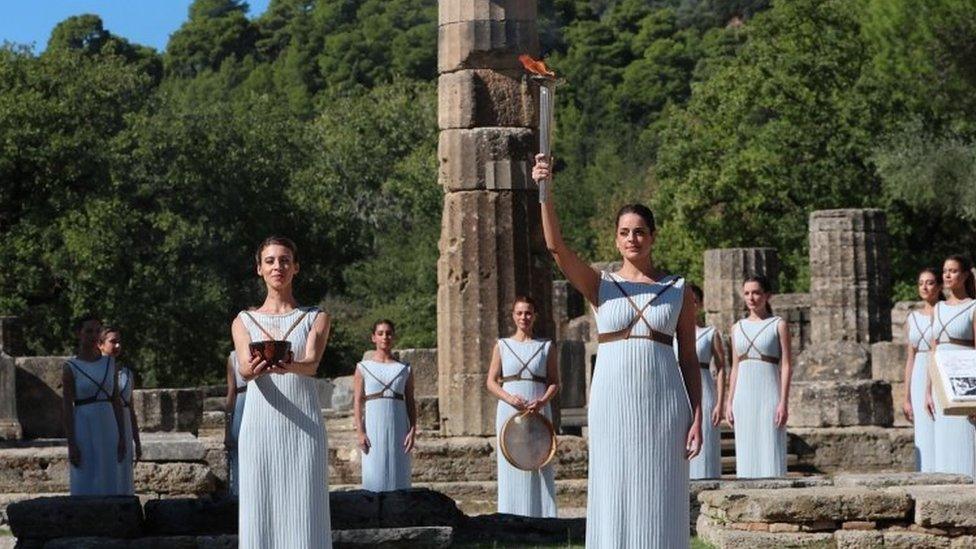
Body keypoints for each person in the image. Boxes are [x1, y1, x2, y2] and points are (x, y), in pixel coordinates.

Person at [532, 155, 702, 548]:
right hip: (613, 401)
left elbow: (689, 358)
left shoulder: (678, 290)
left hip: (664, 404)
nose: (632, 239)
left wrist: (695, 416)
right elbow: (555, 247)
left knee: (661, 489)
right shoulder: (601, 285)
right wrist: (546, 192)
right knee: (614, 486)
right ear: (616, 239)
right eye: (625, 232)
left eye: (640, 231)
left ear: (653, 236)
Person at [231, 236, 332, 548]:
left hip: (304, 427)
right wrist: (260, 366)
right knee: (260, 506)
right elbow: (245, 370)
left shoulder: (316, 317)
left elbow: (312, 364)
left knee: (305, 506)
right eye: (271, 261)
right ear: (259, 269)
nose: (278, 266)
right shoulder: (243, 320)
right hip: (260, 427)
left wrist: (290, 365)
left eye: (285, 260)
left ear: (296, 267)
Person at [485, 296, 559, 517]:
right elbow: (491, 381)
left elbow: (554, 381)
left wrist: (543, 401)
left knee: (539, 460)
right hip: (510, 410)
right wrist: (509, 398)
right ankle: (510, 515)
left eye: (528, 313)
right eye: (519, 313)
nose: (523, 317)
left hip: (538, 410)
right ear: (513, 316)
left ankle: (542, 516)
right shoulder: (502, 346)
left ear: (534, 316)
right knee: (511, 459)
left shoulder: (546, 346)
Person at [726, 276, 792, 478]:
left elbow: (787, 365)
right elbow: (735, 368)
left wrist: (783, 402)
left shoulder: (778, 325)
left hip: (769, 393)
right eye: (747, 293)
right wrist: (729, 402)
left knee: (770, 446)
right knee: (747, 449)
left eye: (756, 292)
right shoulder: (736, 328)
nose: (751, 297)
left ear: (767, 295)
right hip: (743, 397)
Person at [62, 314, 126, 495]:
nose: (93, 335)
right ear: (78, 334)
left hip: (108, 425)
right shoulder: (70, 367)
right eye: (88, 331)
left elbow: (116, 401)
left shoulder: (110, 364)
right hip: (83, 423)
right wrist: (71, 443)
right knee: (85, 475)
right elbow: (67, 406)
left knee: (108, 474)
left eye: (97, 331)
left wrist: (122, 436)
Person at [353, 320, 417, 492]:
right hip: (373, 426)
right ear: (373, 337)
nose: (385, 337)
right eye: (380, 333)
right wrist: (360, 432)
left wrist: (412, 429)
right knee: (375, 473)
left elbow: (410, 400)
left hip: (398, 425)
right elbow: (358, 401)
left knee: (399, 473)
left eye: (388, 333)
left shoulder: (405, 369)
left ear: (393, 337)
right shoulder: (363, 367)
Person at [928, 255, 976, 476]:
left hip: (965, 385)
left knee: (966, 440)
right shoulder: (937, 309)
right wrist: (928, 390)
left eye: (953, 271)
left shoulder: (973, 307)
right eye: (945, 270)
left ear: (965, 275)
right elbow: (933, 350)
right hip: (942, 386)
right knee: (943, 443)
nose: (947, 275)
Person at [684, 284, 727, 479]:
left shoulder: (710, 334)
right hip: (680, 392)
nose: (690, 306)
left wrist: (720, 403)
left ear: (700, 304)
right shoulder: (671, 335)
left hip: (705, 392)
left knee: (706, 444)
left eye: (694, 301)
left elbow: (721, 367)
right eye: (686, 302)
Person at [902, 268, 941, 472]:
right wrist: (906, 396)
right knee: (923, 427)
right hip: (919, 370)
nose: (925, 287)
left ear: (939, 286)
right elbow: (910, 357)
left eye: (930, 282)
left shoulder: (945, 311)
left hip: (939, 369)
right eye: (921, 283)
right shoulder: (913, 318)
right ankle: (925, 473)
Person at [98, 326, 141, 495]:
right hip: (106, 422)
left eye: (119, 342)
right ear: (100, 345)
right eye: (112, 342)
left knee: (124, 472)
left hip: (125, 424)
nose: (117, 346)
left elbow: (130, 407)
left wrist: (136, 440)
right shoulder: (96, 372)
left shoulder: (127, 373)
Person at [223, 350, 246, 496]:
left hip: (247, 401)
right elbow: (232, 390)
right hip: (242, 402)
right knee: (237, 449)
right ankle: (238, 492)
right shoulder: (234, 356)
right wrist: (227, 425)